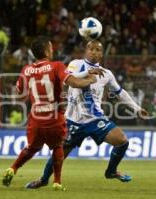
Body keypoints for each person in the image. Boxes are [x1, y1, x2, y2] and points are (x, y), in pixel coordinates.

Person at [25, 40, 148, 189]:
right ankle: (44, 179)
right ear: (86, 51)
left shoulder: (107, 74)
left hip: (95, 120)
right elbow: (69, 79)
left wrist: (136, 108)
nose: (94, 52)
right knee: (60, 154)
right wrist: (88, 73)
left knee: (122, 141)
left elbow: (120, 93)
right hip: (73, 121)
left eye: (98, 50)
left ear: (102, 54)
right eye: (91, 49)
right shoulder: (75, 64)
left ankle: (111, 171)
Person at [2, 36, 101, 191]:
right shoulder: (56, 66)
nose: (53, 49)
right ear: (47, 50)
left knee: (31, 148)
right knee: (58, 146)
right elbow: (73, 82)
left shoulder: (26, 69)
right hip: (54, 117)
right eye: (51, 47)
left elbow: (20, 91)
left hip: (36, 119)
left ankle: (12, 168)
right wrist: (89, 80)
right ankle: (57, 182)